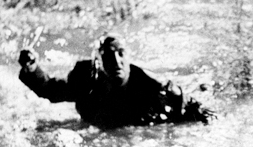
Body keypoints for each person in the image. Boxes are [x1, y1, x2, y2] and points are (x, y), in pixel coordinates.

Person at [18, 34, 215, 127]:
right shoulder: (89, 79)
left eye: (121, 54)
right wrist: (32, 69)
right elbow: (51, 91)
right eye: (109, 57)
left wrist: (203, 117)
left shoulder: (150, 85)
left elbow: (189, 107)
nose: (116, 62)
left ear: (128, 57)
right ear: (99, 62)